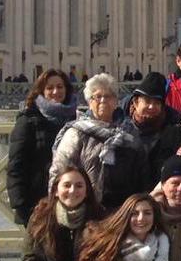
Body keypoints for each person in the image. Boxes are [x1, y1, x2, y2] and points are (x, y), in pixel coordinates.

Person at [50, 73, 149, 211]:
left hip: (123, 210)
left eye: (108, 96)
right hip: (85, 208)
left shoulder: (130, 133)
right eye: (97, 97)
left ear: (116, 101)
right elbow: (59, 171)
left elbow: (141, 174)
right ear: (89, 103)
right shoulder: (77, 132)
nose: (103, 100)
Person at [22, 166, 104, 261]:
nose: (72, 190)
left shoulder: (99, 217)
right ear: (55, 190)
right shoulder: (40, 218)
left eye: (79, 186)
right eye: (67, 185)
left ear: (87, 191)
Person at [9, 68, 77, 224]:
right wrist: (21, 205)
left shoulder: (76, 119)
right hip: (37, 203)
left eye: (60, 87)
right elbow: (16, 165)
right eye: (49, 88)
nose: (55, 92)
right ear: (41, 91)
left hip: (69, 201)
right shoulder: (28, 120)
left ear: (66, 89)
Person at [75, 194, 170, 261]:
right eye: (134, 213)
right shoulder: (106, 245)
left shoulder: (161, 247)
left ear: (154, 217)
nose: (141, 218)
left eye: (147, 213)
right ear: (126, 216)